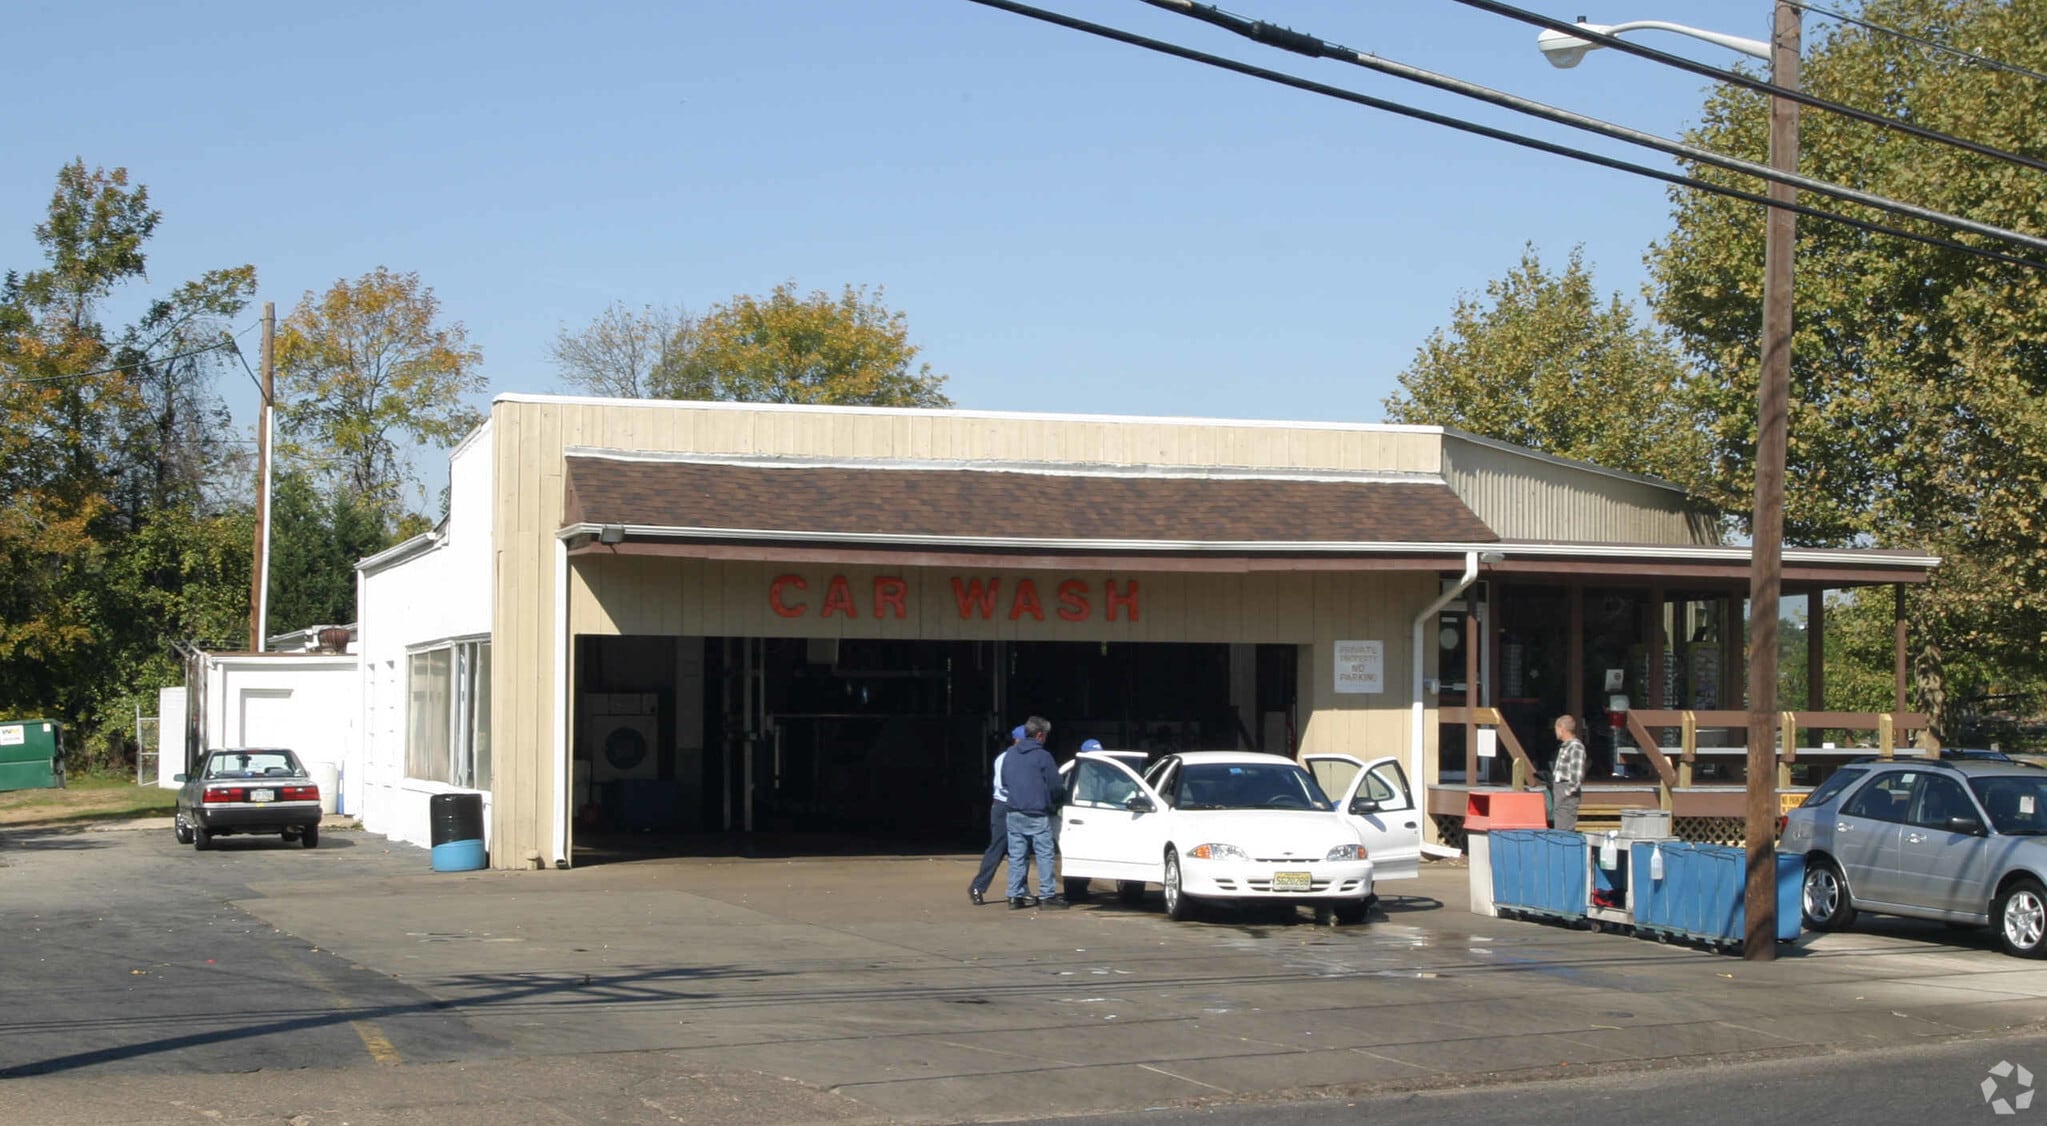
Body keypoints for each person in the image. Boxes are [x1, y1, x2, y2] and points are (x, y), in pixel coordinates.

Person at [1000, 715, 1065, 909]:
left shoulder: (1010, 754)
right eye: (1045, 735)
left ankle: (1014, 896)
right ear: (1039, 735)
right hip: (1037, 812)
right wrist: (1056, 802)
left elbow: (1004, 781)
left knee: (1017, 856)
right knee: (1044, 854)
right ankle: (1047, 895)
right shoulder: (1043, 756)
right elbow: (1056, 786)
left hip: (1014, 811)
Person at [968, 725, 1024, 905]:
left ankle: (1021, 890)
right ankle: (978, 886)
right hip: (1004, 806)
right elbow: (1002, 786)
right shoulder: (1004, 758)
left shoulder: (1024, 758)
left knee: (1021, 849)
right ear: (1018, 740)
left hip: (1019, 806)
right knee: (998, 848)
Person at [1550, 714, 1586, 832]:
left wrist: (1567, 792)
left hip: (1566, 793)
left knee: (1565, 829)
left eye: (1556, 728)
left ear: (1561, 728)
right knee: (1559, 827)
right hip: (1559, 790)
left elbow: (1577, 774)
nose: (1555, 732)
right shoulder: (1564, 747)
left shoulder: (1575, 747)